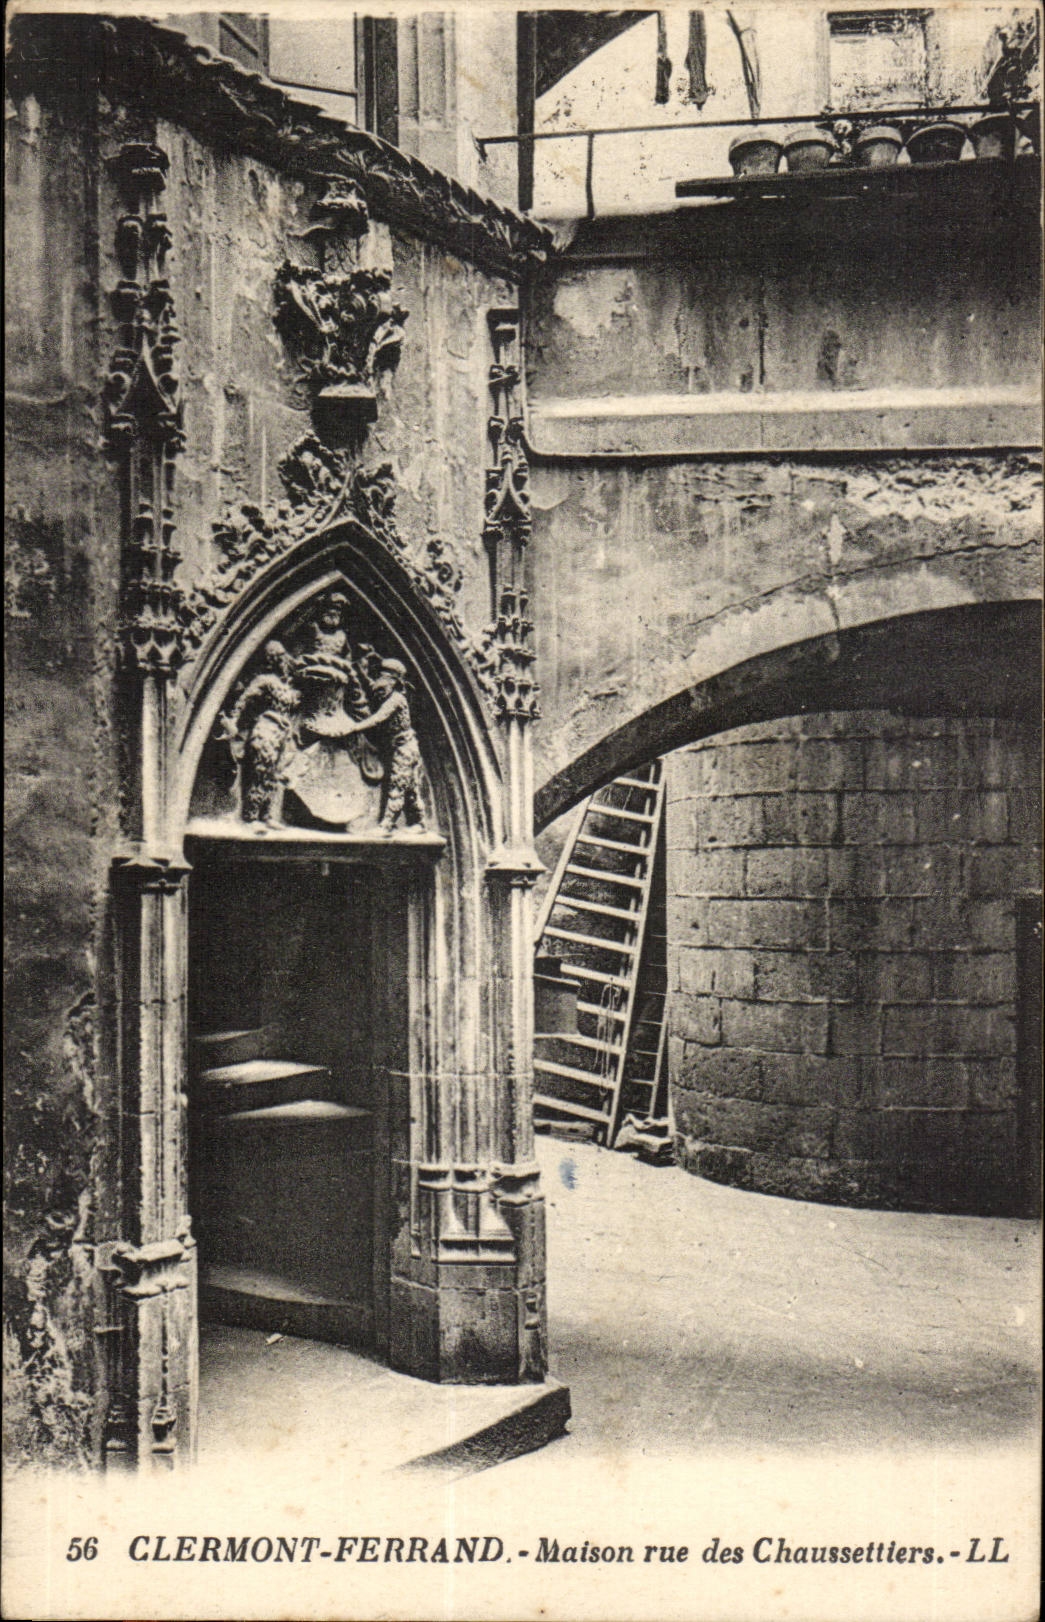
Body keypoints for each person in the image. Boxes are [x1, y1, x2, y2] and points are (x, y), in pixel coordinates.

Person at [219, 641, 299, 828]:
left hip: (282, 732)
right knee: (260, 772)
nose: (281, 660)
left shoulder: (287, 685)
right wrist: (232, 720)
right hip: (266, 730)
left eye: (282, 655)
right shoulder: (264, 680)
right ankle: (251, 816)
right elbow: (243, 700)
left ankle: (267, 815)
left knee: (275, 774)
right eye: (275, 657)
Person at [342, 659, 426, 834]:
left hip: (405, 748)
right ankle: (419, 822)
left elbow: (379, 717)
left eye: (384, 678)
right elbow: (372, 686)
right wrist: (360, 673)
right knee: (409, 788)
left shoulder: (396, 700)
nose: (379, 682)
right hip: (401, 748)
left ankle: (387, 825)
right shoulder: (387, 693)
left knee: (398, 784)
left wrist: (355, 728)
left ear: (393, 681)